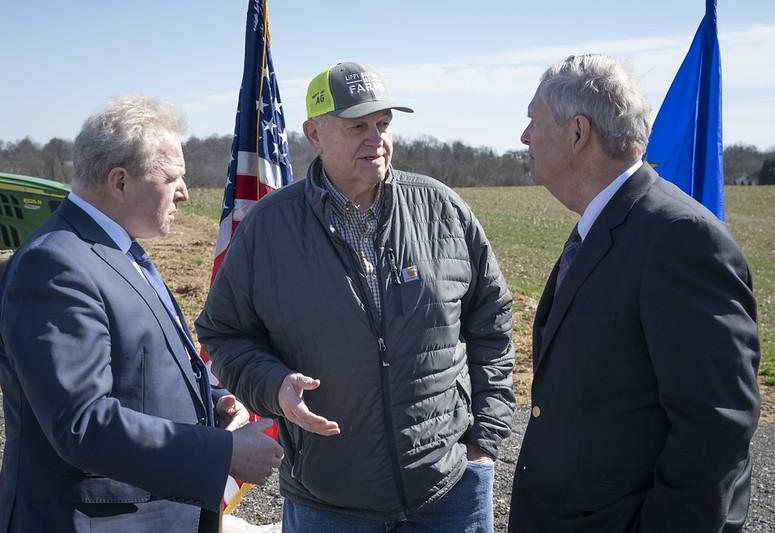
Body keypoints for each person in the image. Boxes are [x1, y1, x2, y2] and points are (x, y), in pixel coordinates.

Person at [196, 62, 514, 532]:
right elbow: (223, 334)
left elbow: (492, 323)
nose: (376, 138)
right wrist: (274, 386)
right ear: (314, 134)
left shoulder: (441, 209)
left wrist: (484, 441)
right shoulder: (270, 226)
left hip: (450, 493)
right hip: (328, 502)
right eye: (357, 126)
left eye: (383, 124)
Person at [0, 95, 283, 533]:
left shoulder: (116, 249)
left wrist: (210, 404)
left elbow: (137, 373)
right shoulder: (55, 266)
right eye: (172, 178)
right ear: (120, 182)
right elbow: (82, 423)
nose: (184, 192)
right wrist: (222, 453)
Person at [508, 54, 760, 532]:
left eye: (533, 121)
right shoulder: (602, 224)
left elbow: (715, 426)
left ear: (578, 133)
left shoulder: (680, 238)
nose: (524, 137)